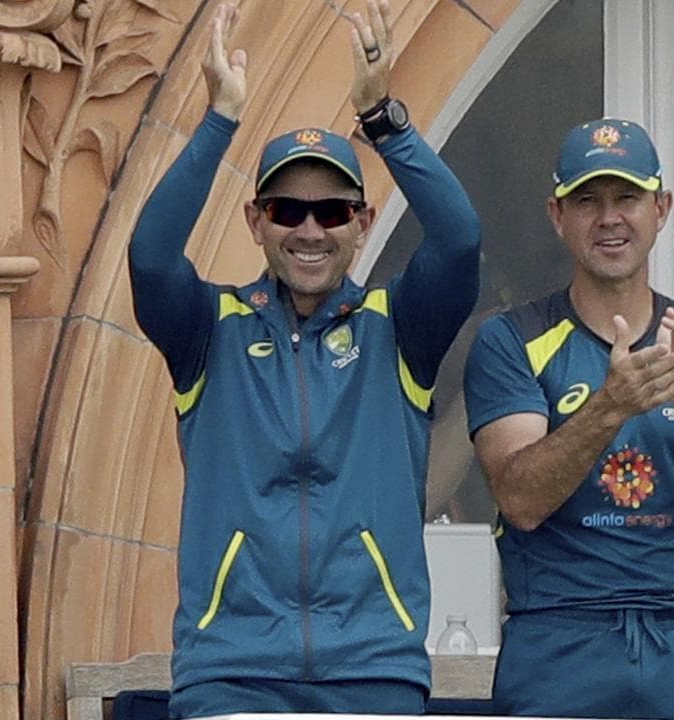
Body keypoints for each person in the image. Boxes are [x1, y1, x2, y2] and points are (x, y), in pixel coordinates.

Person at [126, 2, 481, 717]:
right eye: (287, 210)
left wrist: (383, 120)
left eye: (333, 211)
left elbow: (459, 240)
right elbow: (151, 256)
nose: (310, 230)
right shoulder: (210, 328)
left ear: (363, 223)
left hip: (372, 669)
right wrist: (220, 119)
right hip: (232, 671)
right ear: (256, 221)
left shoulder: (396, 326)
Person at [462, 118, 674, 719]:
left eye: (627, 197)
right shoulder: (511, 339)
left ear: (661, 208)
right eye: (588, 201)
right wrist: (611, 404)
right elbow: (520, 500)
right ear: (557, 216)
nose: (609, 218)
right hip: (560, 637)